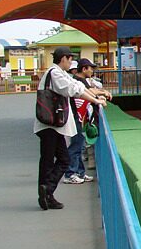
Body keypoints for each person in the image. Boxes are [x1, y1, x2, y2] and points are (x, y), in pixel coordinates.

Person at [35, 46, 107, 210]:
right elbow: (73, 89)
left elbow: (77, 86)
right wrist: (96, 100)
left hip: (52, 124)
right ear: (63, 59)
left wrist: (95, 96)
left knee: (59, 159)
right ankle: (46, 192)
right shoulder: (55, 74)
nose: (71, 62)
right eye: (70, 59)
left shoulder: (59, 73)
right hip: (50, 124)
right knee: (50, 160)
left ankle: (47, 191)